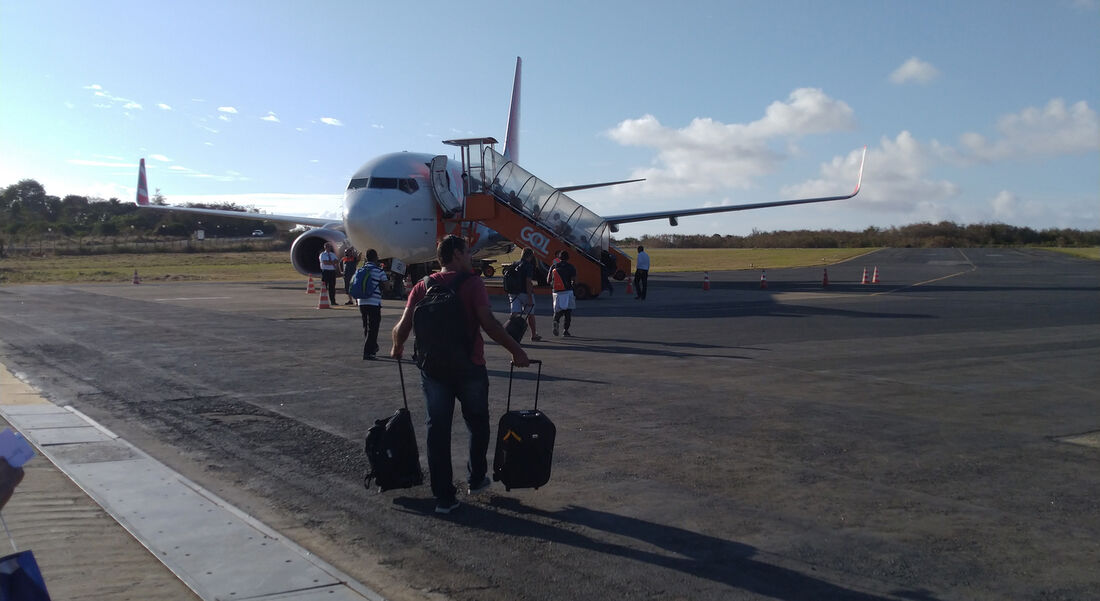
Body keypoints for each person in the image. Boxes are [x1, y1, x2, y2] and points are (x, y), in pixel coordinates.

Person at [391, 235, 530, 514]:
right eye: (467, 253)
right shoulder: (473, 283)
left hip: (433, 370)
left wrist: (397, 346)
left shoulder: (422, 286)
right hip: (470, 367)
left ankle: (444, 498)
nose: (470, 257)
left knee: (437, 431)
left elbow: (402, 327)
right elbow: (489, 324)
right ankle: (476, 478)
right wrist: (516, 350)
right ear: (455, 254)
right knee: (478, 425)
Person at [358, 249, 389, 360]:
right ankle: (368, 352)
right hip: (374, 302)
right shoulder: (379, 271)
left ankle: (373, 347)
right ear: (376, 258)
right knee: (373, 327)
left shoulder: (361, 269)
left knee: (366, 326)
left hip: (361, 302)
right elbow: (387, 286)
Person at [508, 248, 542, 342]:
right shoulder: (528, 266)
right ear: (530, 256)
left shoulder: (514, 263)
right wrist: (530, 297)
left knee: (514, 313)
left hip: (513, 292)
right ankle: (534, 334)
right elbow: (528, 282)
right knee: (530, 314)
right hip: (524, 293)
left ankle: (507, 332)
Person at [548, 250, 577, 337]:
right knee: (568, 312)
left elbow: (548, 280)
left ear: (559, 258)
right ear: (568, 258)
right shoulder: (571, 267)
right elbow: (574, 280)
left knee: (558, 310)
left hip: (556, 292)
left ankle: (556, 321)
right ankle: (566, 331)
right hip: (568, 291)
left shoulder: (554, 266)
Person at [318, 242, 340, 306]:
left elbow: (337, 261)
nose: (329, 248)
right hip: (326, 271)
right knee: (324, 287)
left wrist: (330, 262)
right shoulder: (322, 254)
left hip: (332, 271)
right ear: (325, 247)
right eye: (328, 247)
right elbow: (325, 262)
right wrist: (332, 262)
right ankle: (323, 300)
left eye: (330, 247)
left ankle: (333, 301)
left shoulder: (332, 254)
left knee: (332, 287)